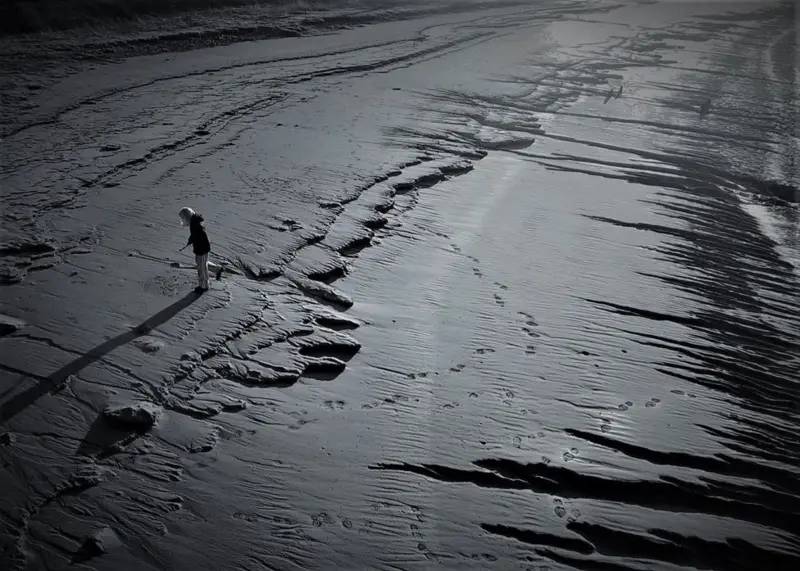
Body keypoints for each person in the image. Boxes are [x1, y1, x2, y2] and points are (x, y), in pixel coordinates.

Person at [178, 207, 211, 292]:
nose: (183, 220)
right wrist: (191, 240)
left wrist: (192, 240)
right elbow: (195, 235)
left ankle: (203, 287)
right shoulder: (195, 221)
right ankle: (204, 284)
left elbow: (198, 236)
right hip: (201, 248)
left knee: (201, 268)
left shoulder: (195, 225)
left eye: (183, 218)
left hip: (201, 250)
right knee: (202, 266)